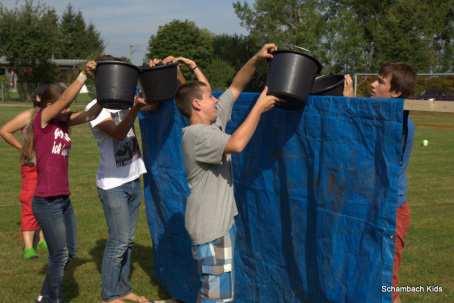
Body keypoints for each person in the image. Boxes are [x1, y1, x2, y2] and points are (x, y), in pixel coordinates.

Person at [175, 43, 279, 302]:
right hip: (211, 231)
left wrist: (256, 58)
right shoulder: (196, 135)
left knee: (214, 292)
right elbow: (237, 144)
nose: (215, 100)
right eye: (210, 97)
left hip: (221, 226)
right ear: (197, 104)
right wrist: (259, 107)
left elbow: (235, 87)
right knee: (217, 297)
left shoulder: (214, 122)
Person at [344, 63, 416, 303]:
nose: (373, 85)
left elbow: (366, 152)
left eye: (381, 82)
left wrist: (348, 106)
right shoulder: (383, 118)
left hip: (391, 214)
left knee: (386, 284)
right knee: (364, 274)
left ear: (395, 92)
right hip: (371, 207)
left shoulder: (400, 124)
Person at [85, 55, 154, 303]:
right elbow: (117, 133)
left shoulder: (125, 99)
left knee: (129, 241)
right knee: (119, 241)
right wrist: (134, 109)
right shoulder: (94, 107)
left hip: (134, 178)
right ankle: (109, 295)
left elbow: (154, 104)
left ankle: (124, 289)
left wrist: (152, 73)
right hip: (112, 185)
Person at [32, 61, 102, 303]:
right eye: (60, 101)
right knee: (60, 254)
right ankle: (52, 299)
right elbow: (65, 102)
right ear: (50, 104)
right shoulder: (42, 119)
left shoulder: (63, 122)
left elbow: (91, 113)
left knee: (68, 251)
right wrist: (83, 74)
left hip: (63, 199)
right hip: (46, 201)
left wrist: (105, 89)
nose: (66, 105)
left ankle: (45, 295)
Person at [0, 85, 48, 259]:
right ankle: (29, 247)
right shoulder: (27, 116)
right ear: (37, 98)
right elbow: (4, 131)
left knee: (46, 202)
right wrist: (23, 149)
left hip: (49, 168)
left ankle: (43, 238)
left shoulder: (51, 115)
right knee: (29, 203)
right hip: (31, 167)